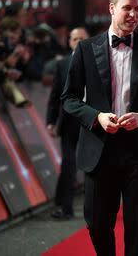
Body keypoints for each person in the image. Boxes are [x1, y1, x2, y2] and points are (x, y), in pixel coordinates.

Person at [61, 0, 138, 255]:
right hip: (100, 149)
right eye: (127, 8)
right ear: (112, 9)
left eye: (137, 9)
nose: (133, 14)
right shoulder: (86, 49)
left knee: (137, 230)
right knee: (97, 224)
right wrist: (97, 117)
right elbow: (69, 98)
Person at [46, 27, 89, 219]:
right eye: (75, 39)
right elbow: (55, 95)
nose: (78, 42)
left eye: (82, 38)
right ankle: (65, 207)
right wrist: (50, 121)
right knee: (69, 165)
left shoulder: (100, 61)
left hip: (94, 120)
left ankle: (96, 207)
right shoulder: (62, 64)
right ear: (69, 42)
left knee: (93, 165)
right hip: (69, 122)